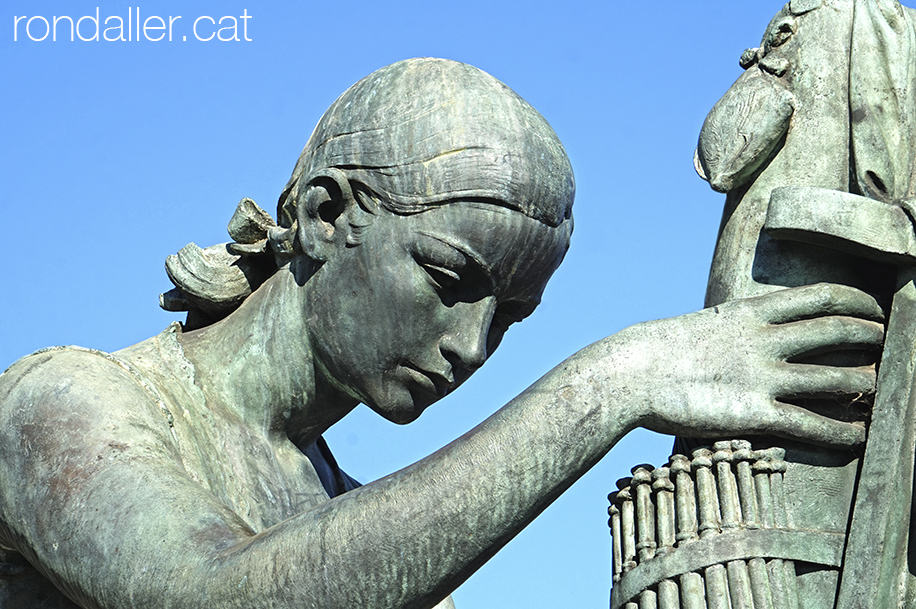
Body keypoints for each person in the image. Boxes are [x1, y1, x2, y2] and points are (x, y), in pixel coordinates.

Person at [0, 58, 884, 609]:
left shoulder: (374, 541)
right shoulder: (62, 402)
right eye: (450, 280)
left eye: (510, 318)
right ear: (322, 216)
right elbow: (213, 596)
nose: (471, 346)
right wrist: (615, 381)